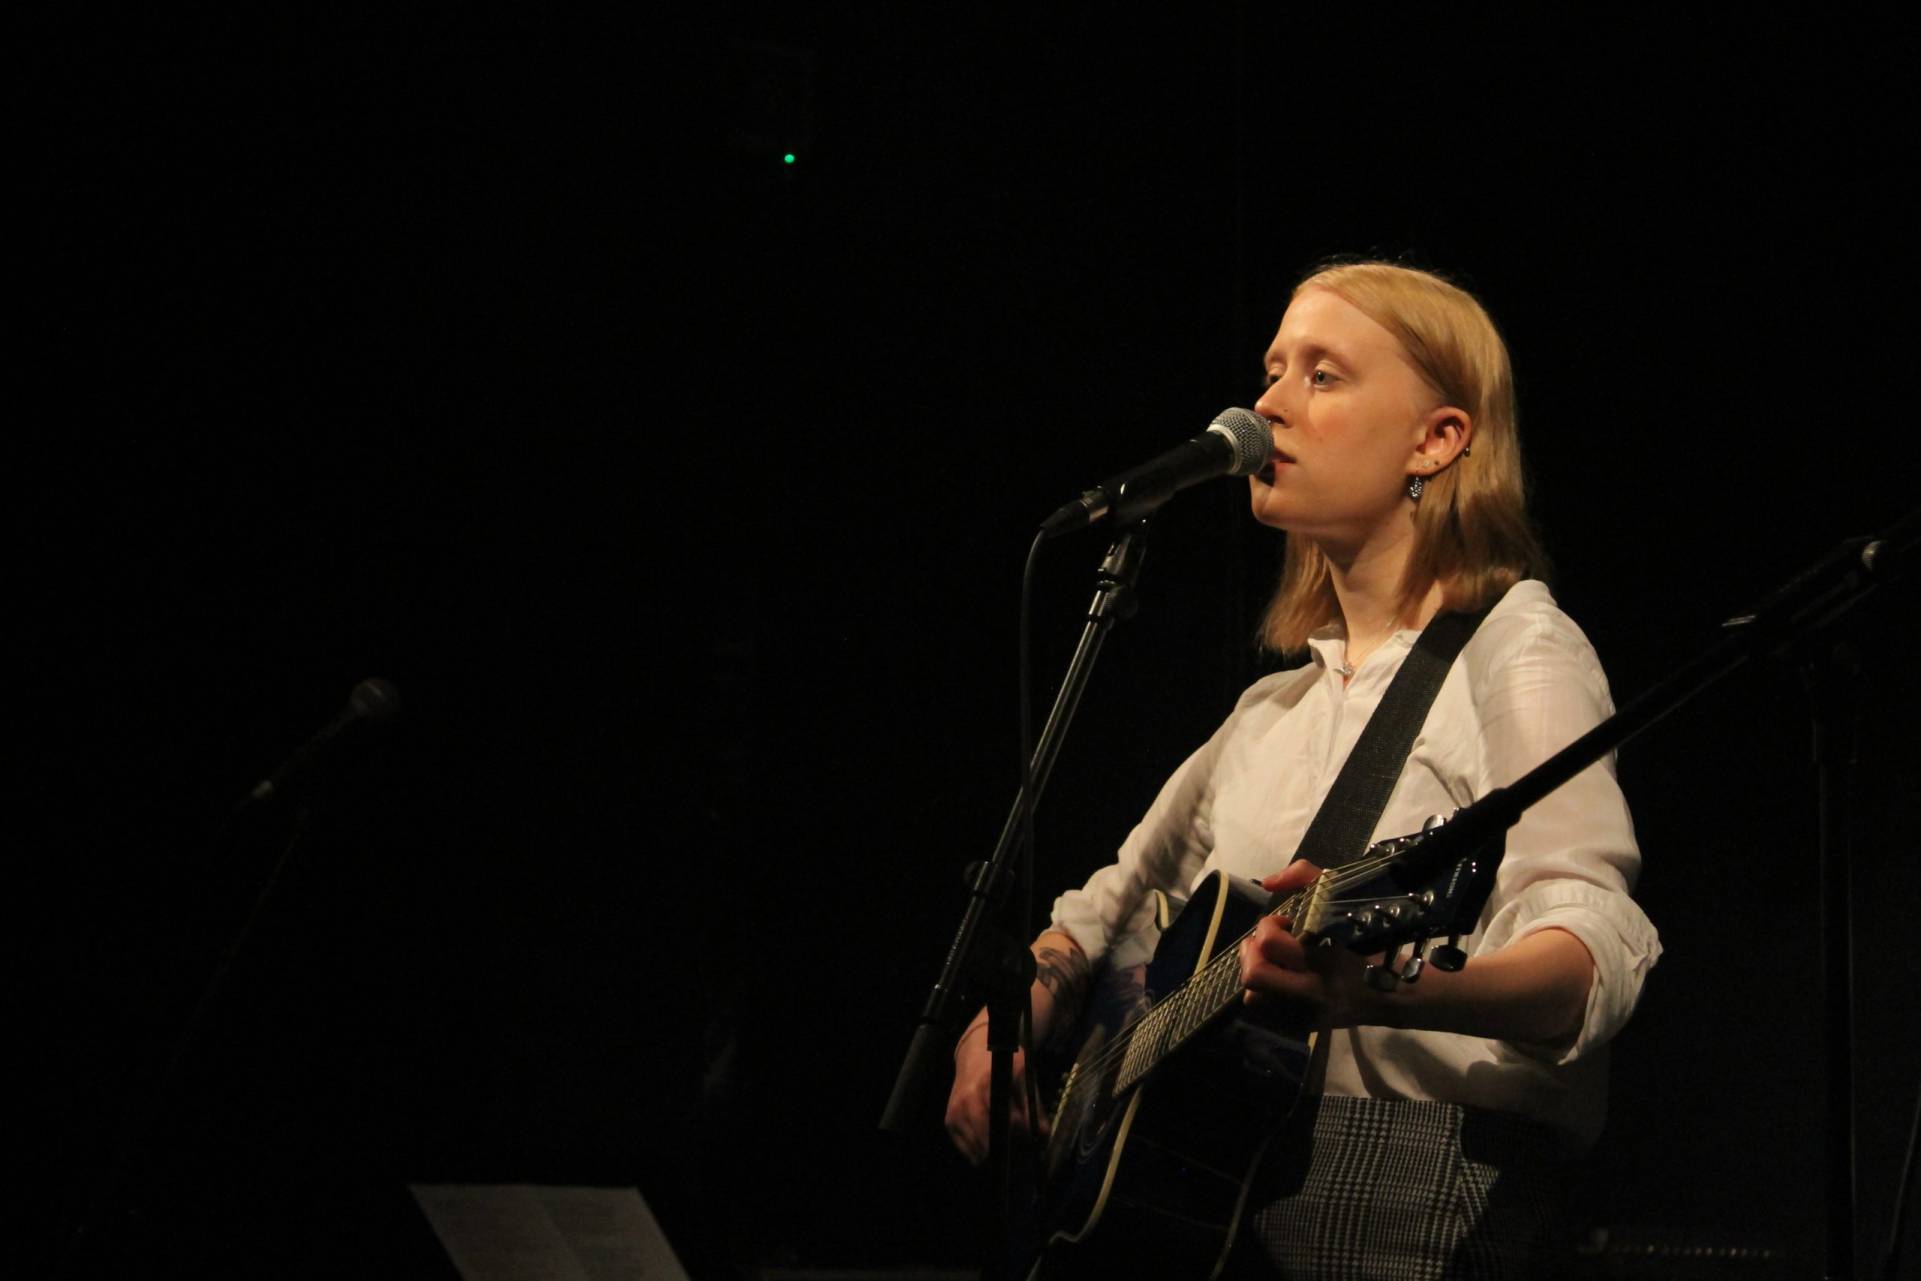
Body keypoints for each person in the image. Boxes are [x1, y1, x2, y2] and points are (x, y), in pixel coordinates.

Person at [945, 260, 1662, 1278]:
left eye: (1322, 376)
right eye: (1272, 370)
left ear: (1437, 438)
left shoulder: (1518, 649)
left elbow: (1594, 945)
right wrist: (1006, 1025)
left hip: (1410, 1185)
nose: (1266, 404)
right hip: (1210, 1196)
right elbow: (1102, 908)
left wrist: (1387, 992)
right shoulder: (1267, 712)